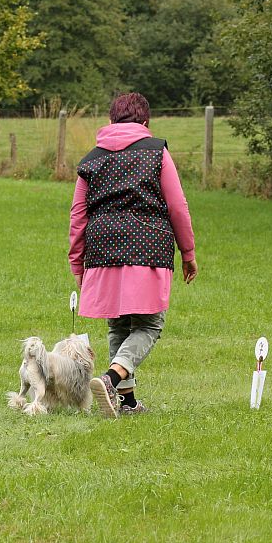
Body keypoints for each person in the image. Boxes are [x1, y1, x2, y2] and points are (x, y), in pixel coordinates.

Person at [68, 92, 197, 418]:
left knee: (118, 325)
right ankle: (111, 380)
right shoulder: (156, 152)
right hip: (147, 245)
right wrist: (188, 251)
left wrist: (77, 262)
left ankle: (126, 403)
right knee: (150, 324)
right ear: (145, 122)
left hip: (102, 247)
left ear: (111, 121)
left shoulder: (91, 160)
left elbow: (78, 216)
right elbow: (177, 206)